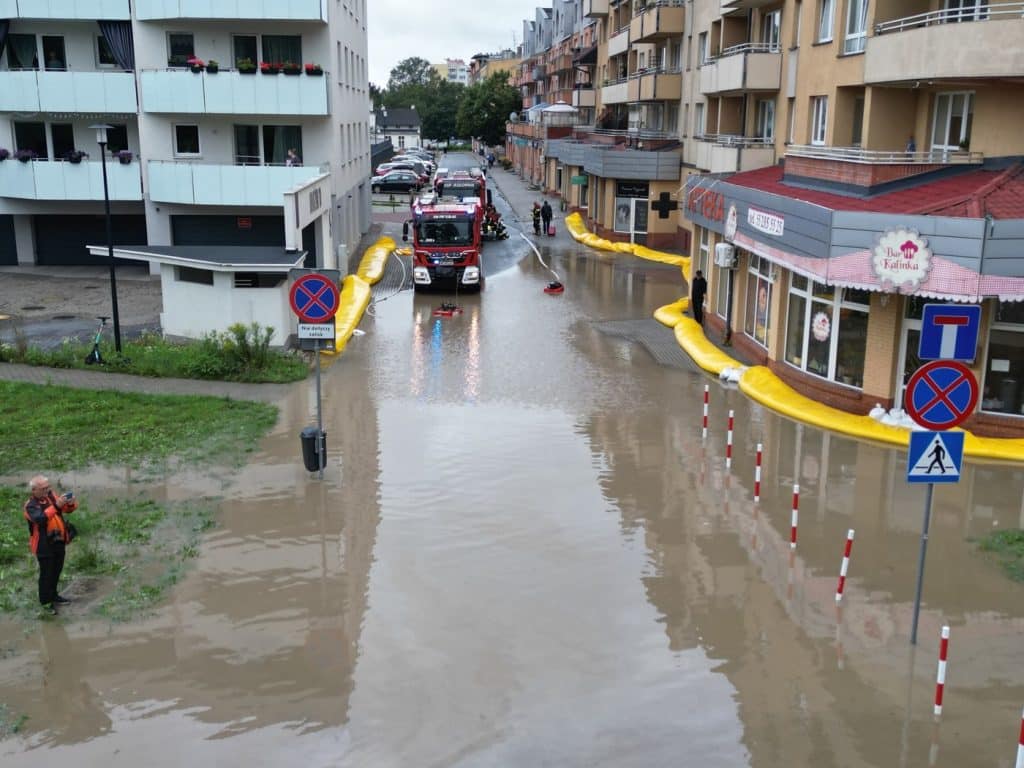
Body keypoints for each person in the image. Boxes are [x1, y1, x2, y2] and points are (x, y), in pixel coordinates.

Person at [23, 474, 78, 614]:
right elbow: (40, 519)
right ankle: (45, 603)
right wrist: (55, 506)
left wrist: (69, 502)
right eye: (44, 488)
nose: (47, 490)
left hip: (58, 541)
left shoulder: (51, 496)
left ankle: (54, 595)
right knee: (46, 575)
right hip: (43, 545)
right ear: (34, 490)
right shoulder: (30, 505)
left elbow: (68, 510)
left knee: (56, 571)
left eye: (48, 487)